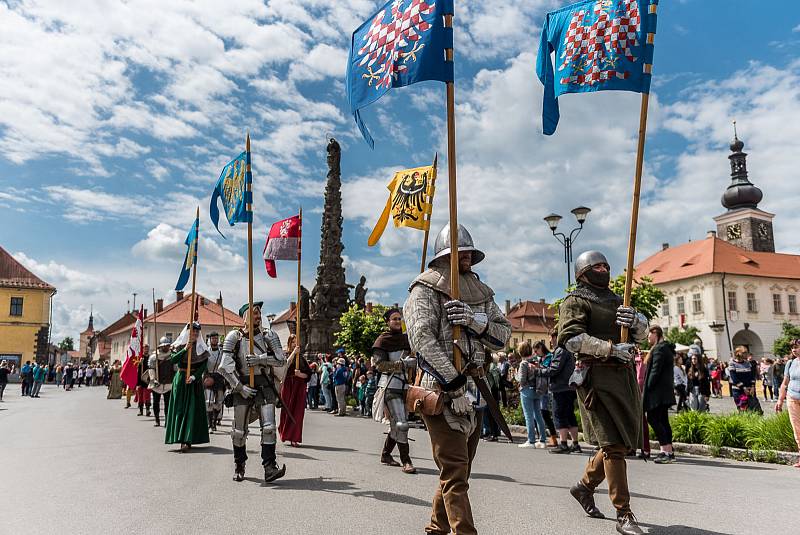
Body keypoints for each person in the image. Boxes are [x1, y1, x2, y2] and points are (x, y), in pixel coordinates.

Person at [404, 223, 511, 535]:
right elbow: (422, 340)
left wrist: (476, 322)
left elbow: (503, 335)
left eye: (469, 254)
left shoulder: (480, 292)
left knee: (458, 472)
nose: (467, 259)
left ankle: (436, 527)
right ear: (446, 255)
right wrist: (453, 384)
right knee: (455, 472)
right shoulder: (424, 290)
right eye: (461, 253)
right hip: (440, 389)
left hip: (477, 388)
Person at [558, 250, 649, 535]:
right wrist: (610, 348)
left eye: (606, 265)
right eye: (597, 266)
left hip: (622, 379)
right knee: (612, 446)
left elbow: (641, 335)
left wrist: (637, 322)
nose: (603, 269)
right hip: (595, 379)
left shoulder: (618, 301)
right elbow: (571, 339)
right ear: (583, 273)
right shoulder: (575, 300)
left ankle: (583, 487)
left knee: (619, 443)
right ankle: (623, 512)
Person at [219, 301, 287, 483]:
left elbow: (281, 359)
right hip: (242, 387)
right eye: (253, 313)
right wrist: (240, 387)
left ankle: (269, 467)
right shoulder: (235, 337)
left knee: (269, 428)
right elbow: (224, 366)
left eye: (259, 313)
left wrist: (260, 359)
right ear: (244, 317)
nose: (257, 316)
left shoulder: (268, 336)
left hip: (264, 386)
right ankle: (239, 465)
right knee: (239, 431)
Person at [372, 308, 417, 473]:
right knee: (402, 423)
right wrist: (402, 365)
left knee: (396, 426)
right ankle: (407, 461)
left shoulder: (407, 339)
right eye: (394, 319)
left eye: (400, 318)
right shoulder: (382, 340)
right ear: (388, 322)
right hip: (390, 386)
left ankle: (386, 454)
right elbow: (378, 365)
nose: (398, 321)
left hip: (407, 387)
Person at [164, 323, 210, 453]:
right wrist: (185, 349)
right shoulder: (178, 345)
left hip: (193, 381)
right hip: (181, 379)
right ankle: (178, 436)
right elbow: (173, 360)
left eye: (197, 332)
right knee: (180, 409)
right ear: (188, 332)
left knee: (191, 410)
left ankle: (187, 440)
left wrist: (195, 377)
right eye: (193, 331)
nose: (195, 334)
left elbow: (203, 365)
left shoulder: (202, 348)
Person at [540, 330, 580, 455]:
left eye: (551, 338)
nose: (550, 341)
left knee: (559, 415)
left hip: (560, 388)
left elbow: (554, 370)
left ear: (556, 337)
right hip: (568, 387)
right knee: (570, 415)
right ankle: (575, 444)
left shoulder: (560, 350)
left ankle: (563, 444)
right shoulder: (569, 349)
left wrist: (538, 371)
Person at [643, 326, 676, 464]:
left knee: (653, 419)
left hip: (657, 393)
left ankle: (666, 451)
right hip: (664, 392)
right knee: (663, 421)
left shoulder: (659, 349)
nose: (648, 337)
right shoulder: (665, 348)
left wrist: (648, 387)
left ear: (655, 333)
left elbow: (655, 371)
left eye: (649, 334)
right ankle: (669, 451)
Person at [278, 334, 312, 448]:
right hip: (288, 386)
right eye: (293, 342)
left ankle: (294, 437)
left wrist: (300, 374)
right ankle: (285, 432)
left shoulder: (301, 358)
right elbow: (285, 365)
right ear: (289, 343)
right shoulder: (285, 355)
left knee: (298, 413)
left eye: (296, 342)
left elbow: (308, 374)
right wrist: (293, 353)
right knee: (287, 411)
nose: (295, 344)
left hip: (299, 387)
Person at [517, 341, 547, 449]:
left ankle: (531, 440)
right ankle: (543, 440)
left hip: (526, 390)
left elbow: (521, 379)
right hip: (537, 390)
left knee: (528, 416)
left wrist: (517, 379)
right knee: (538, 415)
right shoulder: (536, 360)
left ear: (520, 351)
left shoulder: (523, 363)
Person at [776, 339, 800, 467]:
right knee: (797, 429)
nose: (794, 350)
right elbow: (785, 383)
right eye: (792, 348)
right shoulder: (790, 363)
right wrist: (780, 400)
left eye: (796, 347)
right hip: (792, 398)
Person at [535, 341, 558, 447]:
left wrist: (538, 367)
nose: (536, 353)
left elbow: (548, 370)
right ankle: (543, 437)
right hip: (540, 388)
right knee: (541, 413)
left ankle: (553, 438)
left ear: (541, 347)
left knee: (545, 413)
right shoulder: (540, 358)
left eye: (536, 350)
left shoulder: (550, 357)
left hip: (548, 389)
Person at [148, 337, 175, 427]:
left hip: (169, 383)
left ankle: (167, 419)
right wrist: (153, 379)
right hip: (157, 383)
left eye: (167, 346)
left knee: (168, 403)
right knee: (156, 403)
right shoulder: (154, 357)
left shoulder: (172, 356)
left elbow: (175, 370)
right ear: (160, 347)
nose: (166, 347)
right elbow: (151, 369)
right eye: (164, 346)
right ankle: (157, 419)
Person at [203, 332, 226, 431]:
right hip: (209, 376)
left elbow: (226, 364)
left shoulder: (222, 352)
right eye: (213, 338)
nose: (214, 340)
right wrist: (206, 375)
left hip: (219, 377)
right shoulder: (206, 352)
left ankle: (215, 420)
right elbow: (203, 364)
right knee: (209, 401)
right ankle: (210, 424)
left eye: (216, 338)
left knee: (219, 401)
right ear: (210, 340)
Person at [135, 345, 152, 417]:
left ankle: (148, 409)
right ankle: (140, 410)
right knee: (140, 395)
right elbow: (135, 366)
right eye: (145, 348)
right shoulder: (139, 357)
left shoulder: (150, 358)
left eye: (147, 348)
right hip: (140, 379)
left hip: (147, 378)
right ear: (143, 349)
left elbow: (152, 367)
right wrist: (139, 363)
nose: (146, 350)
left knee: (147, 395)